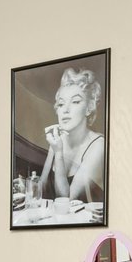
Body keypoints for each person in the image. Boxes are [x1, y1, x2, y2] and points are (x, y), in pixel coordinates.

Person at [35, 67, 106, 205]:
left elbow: (67, 201)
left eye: (75, 101)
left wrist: (58, 153)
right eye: (61, 104)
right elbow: (41, 190)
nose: (65, 110)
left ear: (89, 107)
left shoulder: (99, 145)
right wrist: (26, 185)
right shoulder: (57, 140)